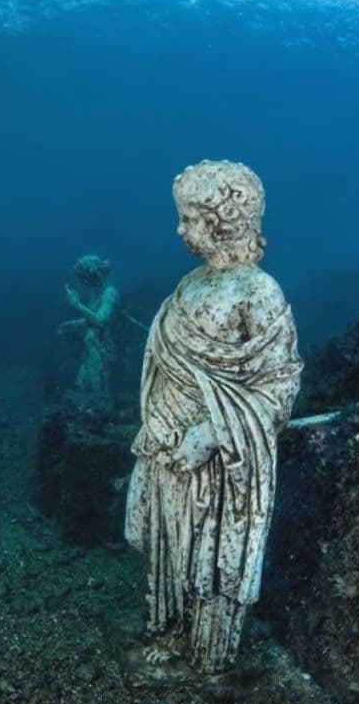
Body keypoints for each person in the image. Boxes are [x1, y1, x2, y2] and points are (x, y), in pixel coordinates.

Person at [123, 159, 304, 675]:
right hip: (166, 446)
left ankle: (208, 656)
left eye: (188, 219)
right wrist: (157, 420)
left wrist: (211, 433)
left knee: (207, 557)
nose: (179, 230)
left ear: (224, 221)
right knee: (169, 547)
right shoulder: (190, 283)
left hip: (219, 462)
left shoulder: (258, 292)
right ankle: (170, 631)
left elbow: (279, 386)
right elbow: (166, 362)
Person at [57, 254, 120, 393]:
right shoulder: (96, 293)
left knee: (98, 390)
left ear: (95, 275)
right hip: (91, 348)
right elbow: (92, 318)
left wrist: (77, 304)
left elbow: (101, 321)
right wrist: (75, 323)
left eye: (85, 277)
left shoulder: (109, 293)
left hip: (103, 349)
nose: (83, 282)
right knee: (83, 388)